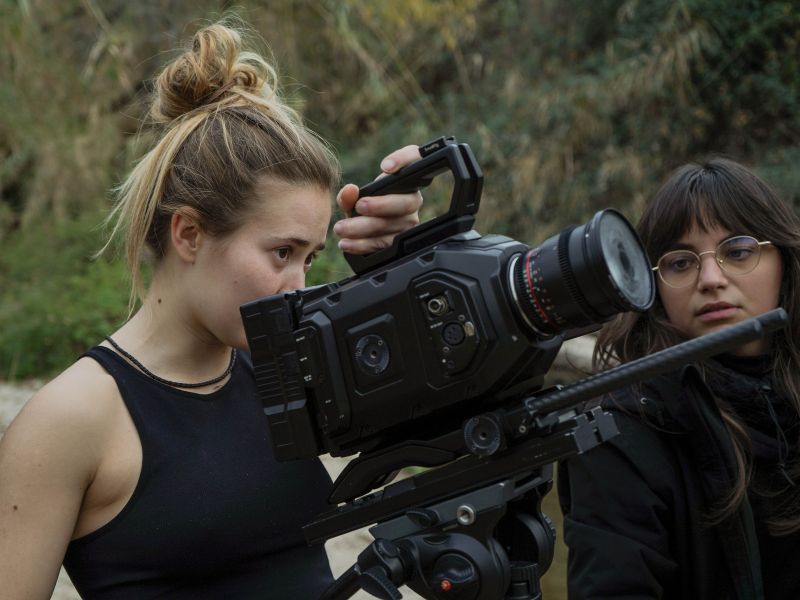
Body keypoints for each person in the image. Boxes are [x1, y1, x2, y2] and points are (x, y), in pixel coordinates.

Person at [0, 22, 423, 599]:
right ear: (190, 235)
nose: (297, 286)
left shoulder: (288, 370)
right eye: (281, 252)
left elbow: (466, 419)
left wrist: (405, 269)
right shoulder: (71, 420)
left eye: (310, 257)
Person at [558, 157, 800, 600]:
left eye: (738, 251)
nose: (711, 278)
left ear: (782, 259)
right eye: (680, 262)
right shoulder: (619, 432)